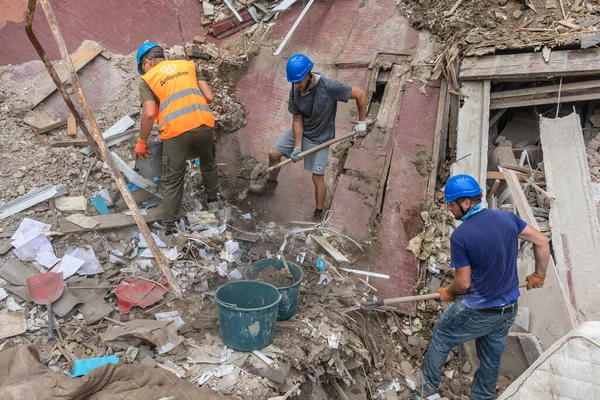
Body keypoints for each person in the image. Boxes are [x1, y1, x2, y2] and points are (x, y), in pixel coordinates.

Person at [413, 174, 549, 400]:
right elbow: (542, 242)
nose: (448, 208)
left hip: (478, 309)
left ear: (466, 203)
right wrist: (538, 274)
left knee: (442, 335)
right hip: (508, 308)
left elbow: (463, 284)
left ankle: (425, 389)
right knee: (491, 358)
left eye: (451, 203)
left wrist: (449, 292)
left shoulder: (462, 235)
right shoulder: (507, 219)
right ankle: (483, 397)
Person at [250, 53, 368, 221]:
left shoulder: (329, 86)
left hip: (321, 137)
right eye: (293, 82)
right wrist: (297, 146)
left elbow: (360, 95)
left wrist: (362, 122)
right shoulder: (295, 91)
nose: (296, 85)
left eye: (298, 81)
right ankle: (270, 187)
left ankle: (319, 213)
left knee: (317, 177)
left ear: (309, 74)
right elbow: (297, 119)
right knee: (273, 154)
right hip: (303, 130)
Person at [134, 42, 220, 235]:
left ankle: (170, 227)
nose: (144, 71)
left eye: (143, 68)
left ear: (147, 62)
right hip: (204, 124)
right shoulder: (188, 65)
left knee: (173, 179)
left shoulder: (147, 79)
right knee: (208, 163)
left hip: (176, 133)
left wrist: (141, 142)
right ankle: (214, 203)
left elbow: (148, 114)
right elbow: (208, 96)